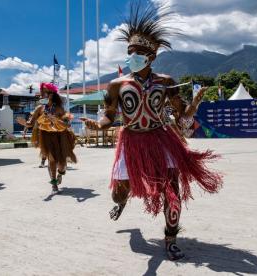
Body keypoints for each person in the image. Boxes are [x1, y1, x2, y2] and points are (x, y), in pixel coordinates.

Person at [81, 1, 223, 261]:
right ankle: (122, 202)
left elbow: (181, 116)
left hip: (161, 138)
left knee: (172, 190)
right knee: (117, 192)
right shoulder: (116, 85)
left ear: (151, 56)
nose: (131, 56)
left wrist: (193, 105)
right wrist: (97, 124)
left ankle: (170, 239)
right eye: (129, 51)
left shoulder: (166, 82)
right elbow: (108, 117)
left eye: (136, 52)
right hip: (131, 141)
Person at [17, 83, 77, 194]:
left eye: (46, 93)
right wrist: (25, 123)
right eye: (42, 93)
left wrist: (55, 119)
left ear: (52, 94)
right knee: (52, 160)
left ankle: (60, 173)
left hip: (60, 137)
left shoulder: (59, 108)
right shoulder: (39, 109)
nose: (43, 95)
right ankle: (54, 185)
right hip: (46, 137)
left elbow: (66, 124)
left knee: (62, 164)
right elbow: (31, 123)